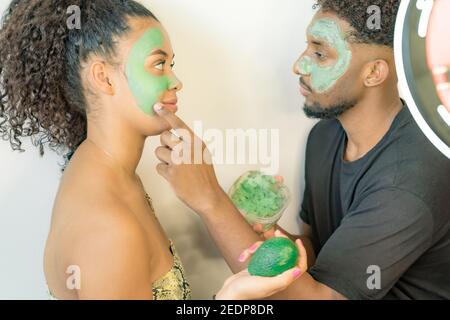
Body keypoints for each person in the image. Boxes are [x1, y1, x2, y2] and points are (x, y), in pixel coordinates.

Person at [153, 0, 450, 300]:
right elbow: (317, 251)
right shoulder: (324, 136)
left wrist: (209, 200)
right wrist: (268, 234)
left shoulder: (411, 178)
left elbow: (320, 298)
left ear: (374, 72)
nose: (299, 65)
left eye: (320, 54)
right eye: (307, 48)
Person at [0, 0, 191, 300]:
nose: (176, 82)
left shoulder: (102, 168)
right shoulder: (109, 231)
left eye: (172, 65)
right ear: (103, 77)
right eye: (158, 64)